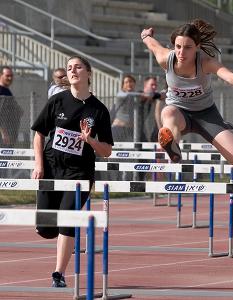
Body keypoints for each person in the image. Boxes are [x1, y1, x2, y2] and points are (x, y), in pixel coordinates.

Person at [31, 55, 113, 288]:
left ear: (88, 73)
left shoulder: (99, 110)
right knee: (47, 229)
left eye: (78, 67)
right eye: (69, 68)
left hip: (79, 173)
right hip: (51, 167)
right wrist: (39, 165)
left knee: (67, 220)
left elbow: (107, 150)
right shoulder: (57, 101)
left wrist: (90, 141)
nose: (73, 71)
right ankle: (60, 233)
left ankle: (59, 273)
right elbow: (39, 134)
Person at [141, 19, 233, 167]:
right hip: (178, 112)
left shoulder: (205, 62)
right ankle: (173, 149)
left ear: (197, 47)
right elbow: (152, 44)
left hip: (206, 115)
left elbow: (228, 75)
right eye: (178, 47)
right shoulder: (166, 58)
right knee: (168, 112)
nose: (181, 53)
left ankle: (229, 129)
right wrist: (146, 35)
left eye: (188, 47)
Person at [0, 66, 23, 147]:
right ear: (1, 75)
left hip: (10, 132)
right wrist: (4, 133)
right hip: (3, 136)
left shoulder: (6, 90)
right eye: (7, 75)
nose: (10, 78)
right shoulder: (1, 91)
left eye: (11, 76)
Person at [111, 74, 138, 141]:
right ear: (122, 85)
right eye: (126, 82)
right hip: (118, 128)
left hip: (130, 130)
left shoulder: (135, 97)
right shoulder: (121, 94)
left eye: (131, 81)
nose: (129, 84)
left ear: (134, 84)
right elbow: (123, 94)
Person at [140, 76, 166, 142]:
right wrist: (159, 95)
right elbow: (146, 95)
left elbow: (161, 96)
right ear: (145, 85)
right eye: (152, 85)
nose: (154, 87)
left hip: (139, 128)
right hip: (126, 129)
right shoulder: (139, 93)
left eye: (155, 85)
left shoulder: (153, 96)